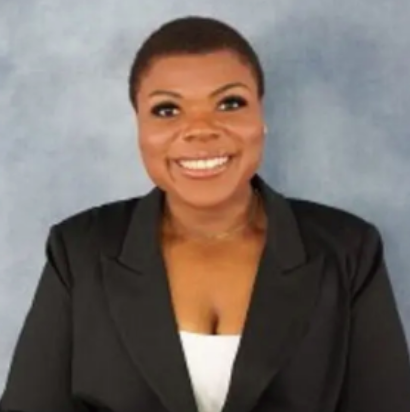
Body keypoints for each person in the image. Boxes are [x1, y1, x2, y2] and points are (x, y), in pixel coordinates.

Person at [1, 15, 410, 412]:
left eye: (230, 103)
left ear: (261, 117)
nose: (201, 129)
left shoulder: (348, 250)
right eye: (167, 110)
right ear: (139, 128)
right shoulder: (78, 252)